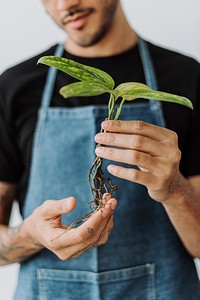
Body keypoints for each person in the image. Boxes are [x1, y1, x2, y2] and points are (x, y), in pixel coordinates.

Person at [0, 0, 200, 299]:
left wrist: (174, 190)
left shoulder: (186, 77)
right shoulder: (15, 87)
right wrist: (29, 236)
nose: (66, 3)